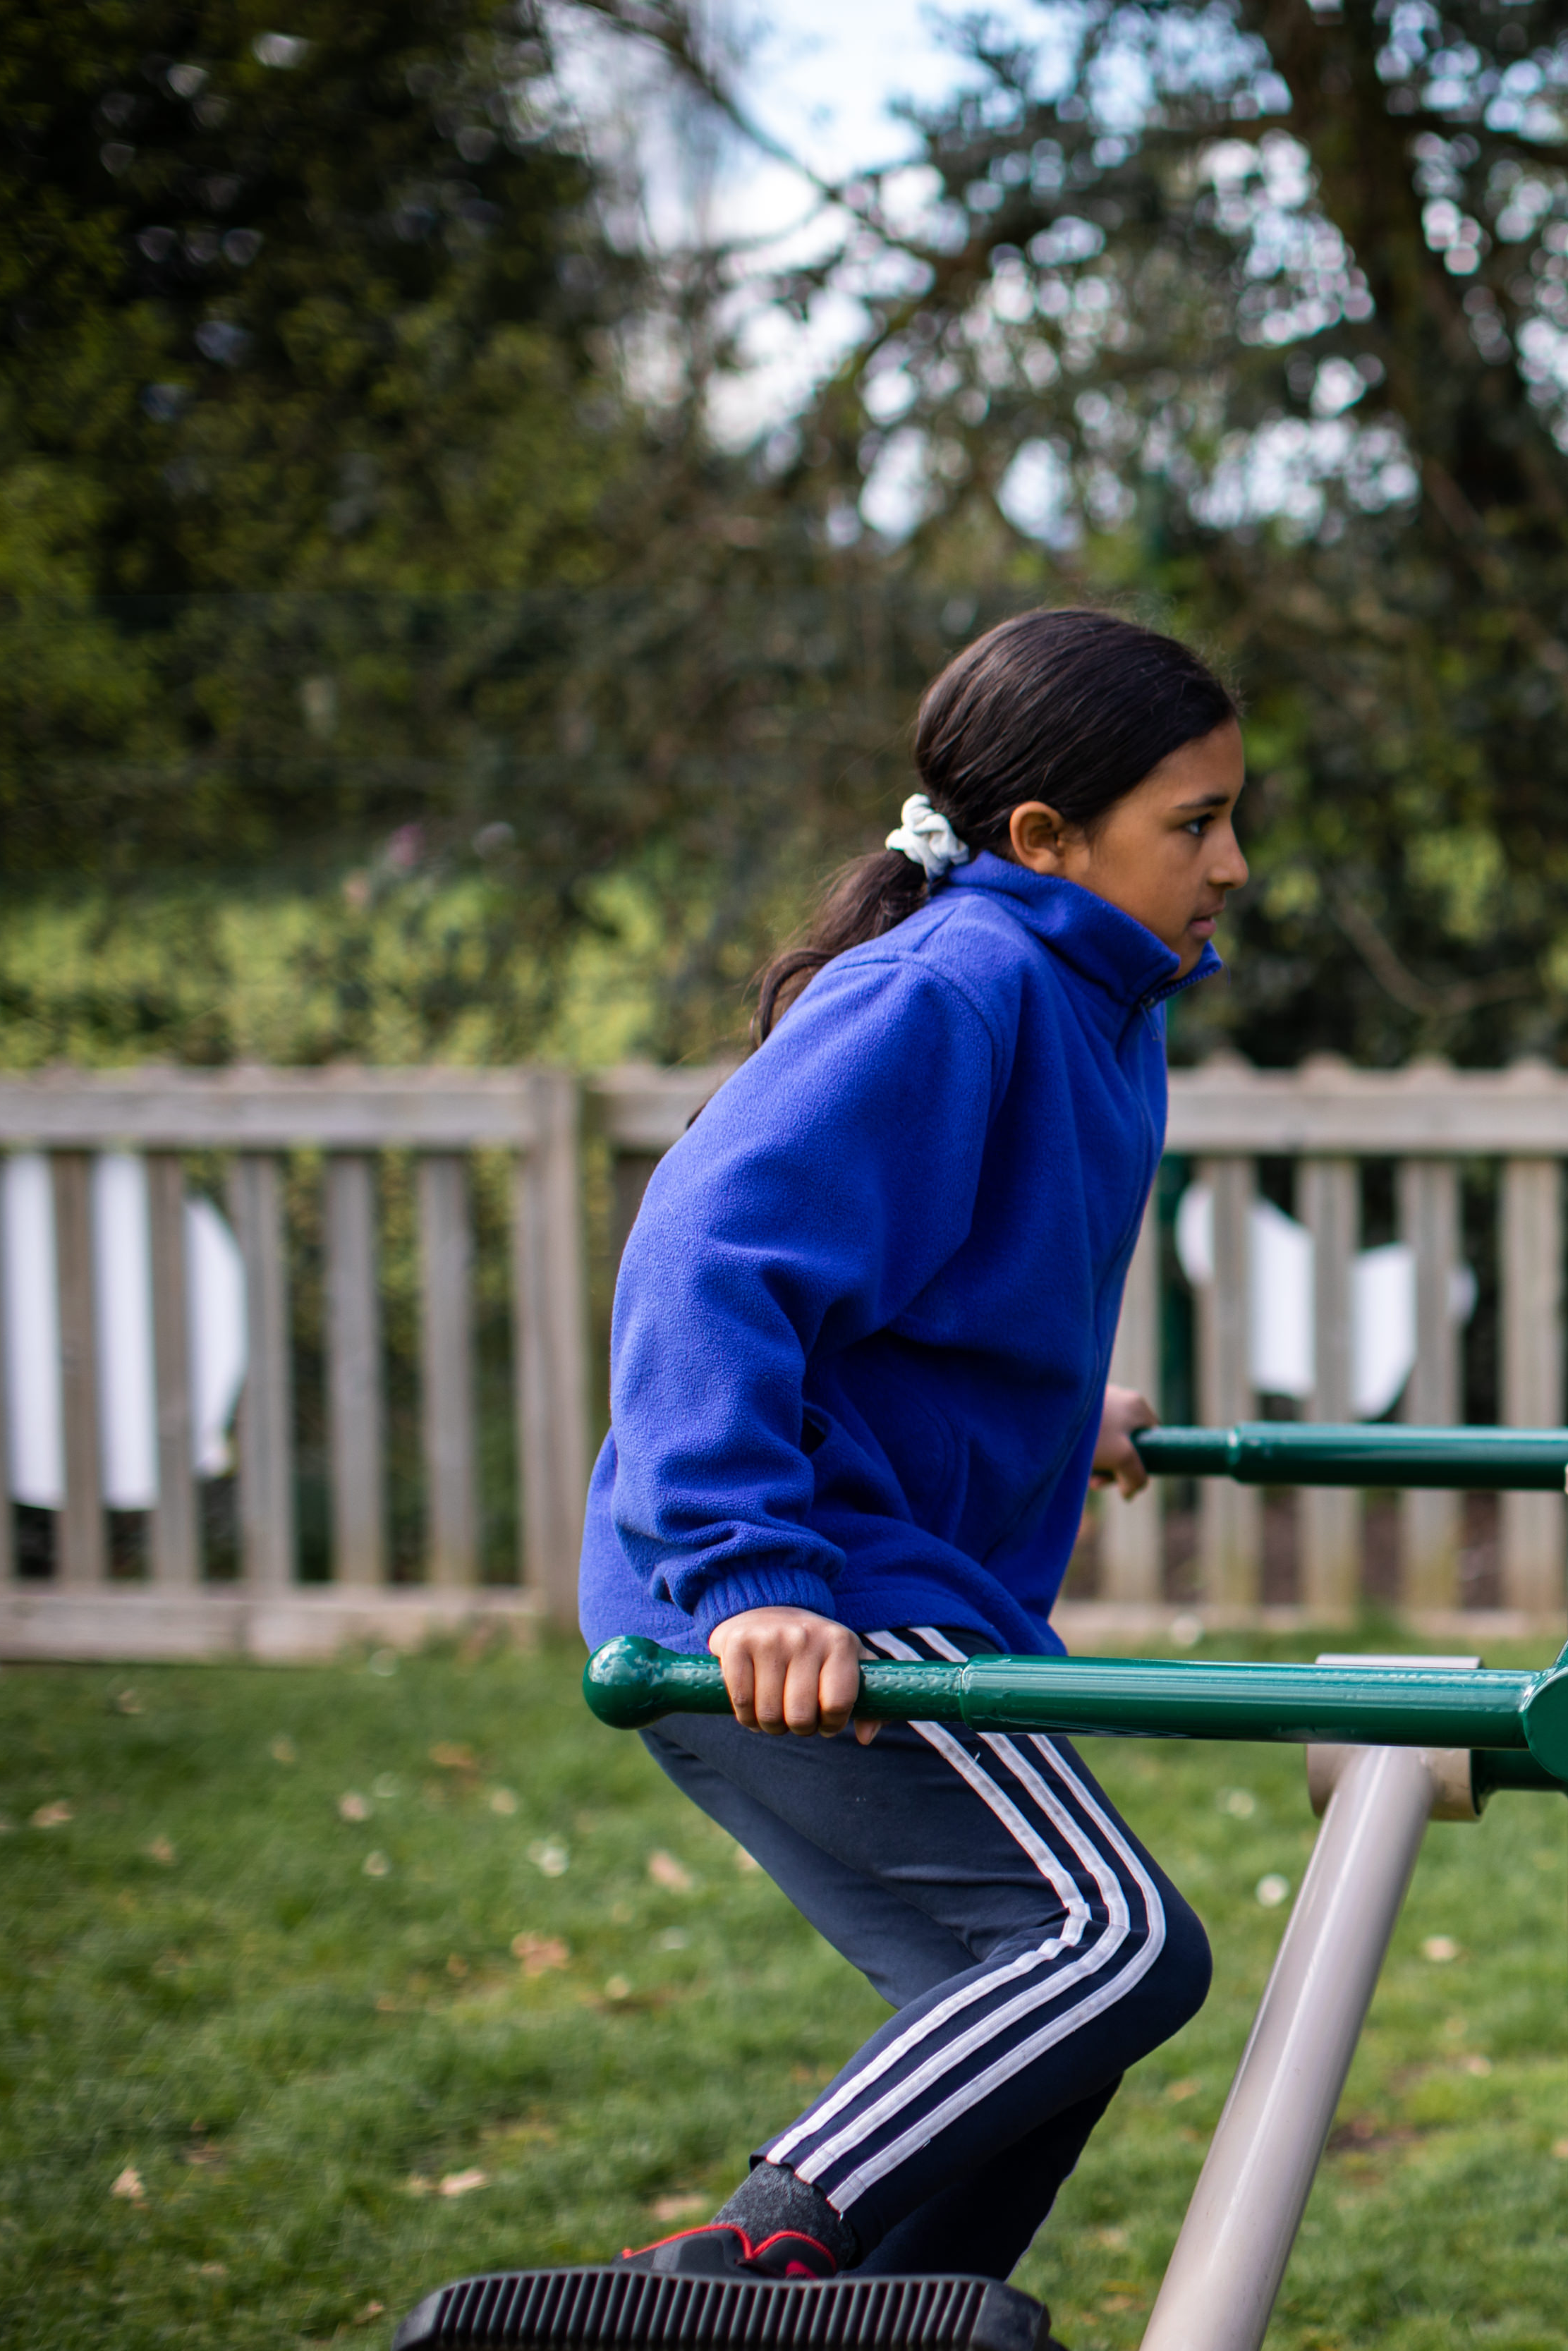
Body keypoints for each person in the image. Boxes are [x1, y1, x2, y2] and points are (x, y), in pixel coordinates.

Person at [580, 608, 1244, 2283]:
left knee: (1037, 2015)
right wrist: (748, 1572)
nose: (1234, 862)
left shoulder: (1093, 993)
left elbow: (924, 1284)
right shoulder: (949, 989)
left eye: (1237, 815)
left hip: (874, 1563)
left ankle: (881, 2322)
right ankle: (748, 2264)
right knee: (1116, 1945)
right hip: (808, 1588)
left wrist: (1041, 1407)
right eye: (1195, 822)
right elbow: (704, 1258)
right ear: (1046, 837)